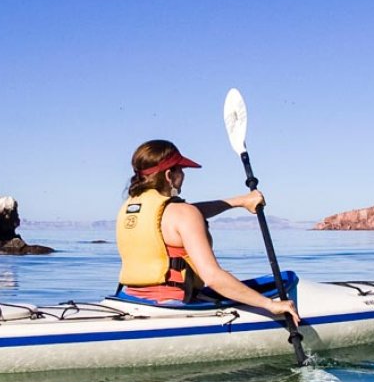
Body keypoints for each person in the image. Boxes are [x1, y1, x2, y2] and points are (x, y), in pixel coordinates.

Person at [115, 139, 300, 325]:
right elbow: (212, 278)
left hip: (129, 298)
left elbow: (191, 212)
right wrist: (270, 305)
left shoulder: (131, 208)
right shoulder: (182, 214)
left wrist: (241, 201)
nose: (183, 175)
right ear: (169, 175)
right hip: (170, 305)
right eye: (181, 170)